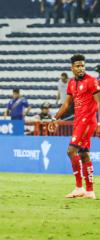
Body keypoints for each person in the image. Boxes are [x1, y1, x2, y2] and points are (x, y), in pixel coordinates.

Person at [48, 54, 100, 199]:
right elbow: (66, 104)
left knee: (71, 151)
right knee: (83, 154)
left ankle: (79, 187)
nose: (81, 68)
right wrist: (55, 118)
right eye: (78, 66)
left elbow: (99, 102)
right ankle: (90, 191)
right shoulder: (71, 83)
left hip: (88, 121)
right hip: (79, 121)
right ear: (72, 68)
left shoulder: (92, 81)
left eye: (82, 65)